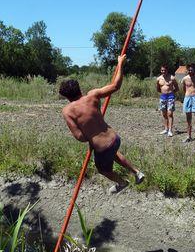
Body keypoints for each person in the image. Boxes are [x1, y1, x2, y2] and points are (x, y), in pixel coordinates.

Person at [59, 54, 145, 194]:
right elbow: (116, 86)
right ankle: (137, 172)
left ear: (66, 96)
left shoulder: (67, 111)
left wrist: (90, 133)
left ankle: (122, 183)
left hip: (102, 148)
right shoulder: (93, 95)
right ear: (79, 89)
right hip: (115, 139)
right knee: (114, 154)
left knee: (103, 169)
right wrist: (120, 63)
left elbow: (80, 137)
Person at [181, 63, 195, 143]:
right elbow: (184, 89)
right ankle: (188, 136)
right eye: (189, 70)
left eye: (191, 69)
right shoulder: (185, 78)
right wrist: (188, 95)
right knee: (188, 118)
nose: (190, 71)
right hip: (187, 98)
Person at [156, 65, 179, 137]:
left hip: (170, 97)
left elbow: (177, 88)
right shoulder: (158, 79)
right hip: (163, 97)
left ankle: (170, 130)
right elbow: (158, 89)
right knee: (164, 114)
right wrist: (164, 92)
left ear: (167, 70)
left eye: (164, 70)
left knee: (170, 114)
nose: (163, 71)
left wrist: (171, 93)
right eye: (162, 70)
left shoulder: (172, 78)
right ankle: (166, 129)